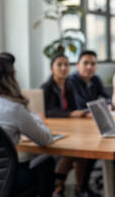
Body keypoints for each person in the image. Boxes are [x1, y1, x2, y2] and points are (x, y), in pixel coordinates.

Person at [0, 55, 55, 197]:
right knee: (47, 161)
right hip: (9, 182)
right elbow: (45, 139)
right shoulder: (14, 109)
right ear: (13, 75)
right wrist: (36, 117)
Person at [41, 54, 90, 197]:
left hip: (71, 128)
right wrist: (69, 114)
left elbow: (75, 107)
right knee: (76, 152)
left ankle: (78, 187)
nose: (63, 68)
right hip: (54, 129)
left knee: (83, 150)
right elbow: (47, 111)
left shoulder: (69, 85)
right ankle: (64, 185)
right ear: (52, 69)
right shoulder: (46, 88)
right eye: (59, 65)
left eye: (66, 65)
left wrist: (82, 113)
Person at [68, 50, 108, 197]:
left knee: (100, 144)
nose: (89, 67)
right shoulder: (72, 81)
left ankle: (84, 187)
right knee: (90, 149)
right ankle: (80, 188)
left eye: (93, 63)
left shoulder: (95, 80)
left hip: (90, 125)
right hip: (74, 128)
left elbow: (107, 99)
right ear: (78, 65)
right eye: (85, 63)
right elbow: (79, 106)